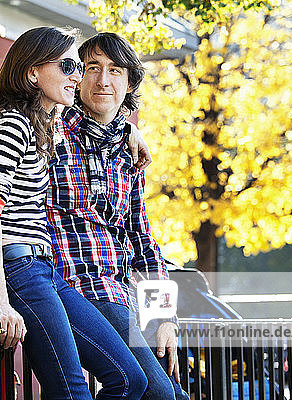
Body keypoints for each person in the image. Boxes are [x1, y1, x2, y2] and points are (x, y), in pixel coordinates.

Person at [0, 26, 147, 400]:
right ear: (32, 73)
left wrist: (131, 133)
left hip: (44, 270)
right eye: (68, 65)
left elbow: (96, 124)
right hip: (17, 270)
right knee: (71, 392)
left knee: (128, 379)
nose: (77, 76)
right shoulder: (12, 124)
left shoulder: (43, 126)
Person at [46, 33, 189, 400]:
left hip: (118, 297)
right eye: (92, 68)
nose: (102, 80)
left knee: (170, 393)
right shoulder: (49, 131)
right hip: (69, 288)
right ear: (77, 76)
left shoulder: (129, 154)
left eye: (114, 70)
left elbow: (144, 243)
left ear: (128, 83)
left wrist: (163, 319)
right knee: (156, 393)